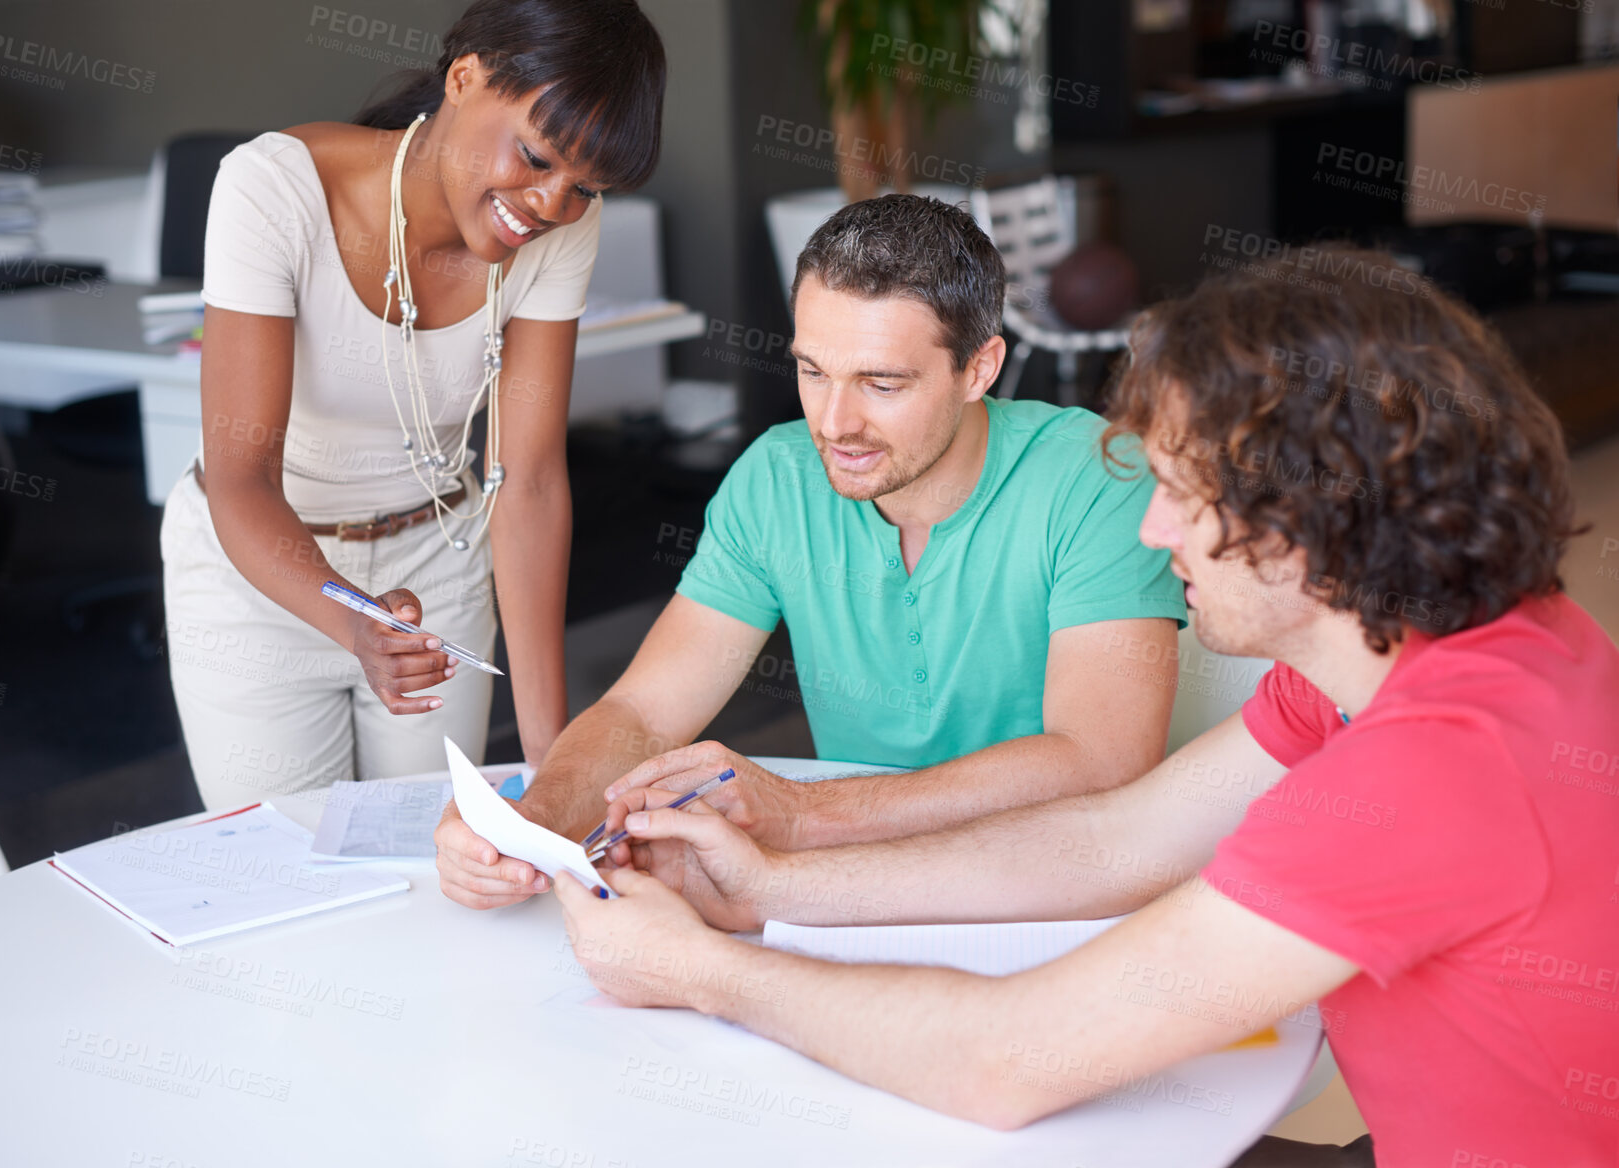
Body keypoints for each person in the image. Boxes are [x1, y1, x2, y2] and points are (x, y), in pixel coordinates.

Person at [557, 247, 1619, 1168]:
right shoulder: (1428, 646)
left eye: (1184, 493)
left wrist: (697, 968)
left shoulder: (1428, 768)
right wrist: (776, 889)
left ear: (1308, 513)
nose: (1153, 532)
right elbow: (1117, 840)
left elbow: (1007, 1060)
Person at [435, 195, 1187, 909]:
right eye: (812, 371)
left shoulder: (1099, 475)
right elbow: (642, 712)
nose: (835, 423)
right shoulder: (777, 475)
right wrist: (527, 827)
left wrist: (805, 813)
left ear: (978, 370)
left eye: (881, 383)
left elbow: (1100, 758)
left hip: (1055, 879)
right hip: (844, 878)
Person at [160, 0, 665, 810]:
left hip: (436, 563)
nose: (550, 204)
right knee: (285, 870)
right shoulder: (274, 187)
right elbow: (240, 476)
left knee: (434, 861)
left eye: (584, 186)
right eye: (536, 157)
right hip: (258, 583)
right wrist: (357, 622)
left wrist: (551, 760)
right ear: (464, 78)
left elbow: (527, 478)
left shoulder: (565, 224)